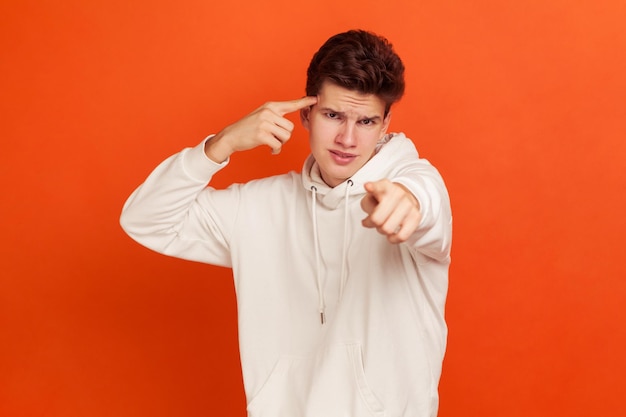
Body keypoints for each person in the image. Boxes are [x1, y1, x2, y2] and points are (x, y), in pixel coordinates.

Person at [120, 29, 452, 417]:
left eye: (365, 121)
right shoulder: (258, 207)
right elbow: (145, 219)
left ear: (385, 124)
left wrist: (409, 204)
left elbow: (427, 208)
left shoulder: (413, 182)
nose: (347, 138)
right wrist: (220, 145)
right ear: (306, 114)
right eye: (333, 115)